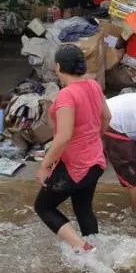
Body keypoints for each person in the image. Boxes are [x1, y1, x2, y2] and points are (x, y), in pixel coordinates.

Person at [34, 45, 110, 253]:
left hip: (75, 165)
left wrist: (44, 165)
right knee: (83, 208)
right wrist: (93, 138)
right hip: (95, 161)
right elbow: (107, 118)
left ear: (58, 67)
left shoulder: (66, 96)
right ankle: (96, 253)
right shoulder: (93, 85)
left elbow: (63, 137)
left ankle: (82, 247)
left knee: (44, 207)